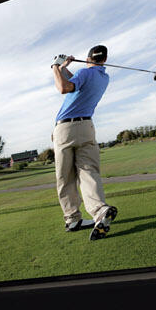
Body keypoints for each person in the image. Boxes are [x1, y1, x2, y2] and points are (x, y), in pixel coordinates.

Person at [51, 45, 120, 239]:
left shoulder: (84, 73)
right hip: (87, 128)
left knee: (65, 177)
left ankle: (72, 218)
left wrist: (55, 67)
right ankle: (100, 211)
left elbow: (64, 87)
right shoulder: (103, 77)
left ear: (88, 58)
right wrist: (65, 68)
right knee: (88, 172)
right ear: (104, 60)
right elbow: (76, 81)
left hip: (66, 129)